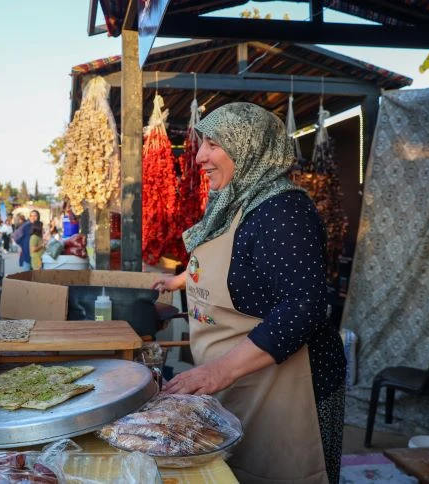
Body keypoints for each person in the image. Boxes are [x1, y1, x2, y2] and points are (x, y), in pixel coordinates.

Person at [153, 102, 345, 483]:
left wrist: (219, 372)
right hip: (241, 382)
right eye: (202, 144)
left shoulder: (284, 211)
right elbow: (238, 266)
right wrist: (180, 281)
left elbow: (304, 306)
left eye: (213, 144)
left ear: (248, 147)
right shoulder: (237, 199)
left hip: (291, 390)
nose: (200, 157)